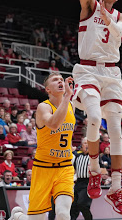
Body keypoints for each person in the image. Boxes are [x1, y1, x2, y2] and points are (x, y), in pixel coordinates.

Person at [70, 0, 122, 216]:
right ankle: (94, 169)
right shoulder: (89, 7)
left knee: (117, 130)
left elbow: (118, 31)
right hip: (88, 71)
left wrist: (108, 15)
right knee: (94, 117)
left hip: (112, 74)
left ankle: (116, 188)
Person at [10, 73, 75, 220]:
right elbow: (53, 124)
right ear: (48, 90)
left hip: (65, 168)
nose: (60, 81)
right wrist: (66, 97)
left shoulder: (71, 105)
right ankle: (18, 217)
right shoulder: (43, 107)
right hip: (43, 168)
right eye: (55, 80)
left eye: (61, 79)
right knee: (37, 219)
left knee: (64, 214)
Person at [70, 137, 93, 220]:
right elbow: (75, 170)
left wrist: (95, 170)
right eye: (85, 143)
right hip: (78, 182)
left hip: (88, 183)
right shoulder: (78, 156)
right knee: (73, 206)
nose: (87, 145)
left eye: (89, 143)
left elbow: (104, 171)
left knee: (82, 204)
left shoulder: (94, 157)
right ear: (82, 145)